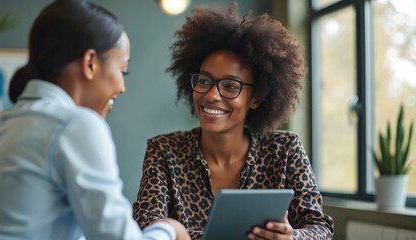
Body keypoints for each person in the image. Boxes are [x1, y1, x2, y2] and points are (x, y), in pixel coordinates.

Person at [0, 0, 190, 239]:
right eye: (122, 70)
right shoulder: (76, 125)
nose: (122, 86)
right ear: (90, 63)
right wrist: (170, 228)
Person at [132, 3, 334, 240]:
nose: (211, 95)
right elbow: (147, 227)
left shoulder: (285, 150)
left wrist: (291, 238)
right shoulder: (164, 151)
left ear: (256, 97)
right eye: (204, 81)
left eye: (230, 86)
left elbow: (320, 228)